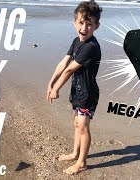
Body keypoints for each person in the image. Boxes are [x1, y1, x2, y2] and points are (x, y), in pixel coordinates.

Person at [46, 0, 102, 175]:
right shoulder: (76, 41)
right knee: (77, 123)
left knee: (83, 127)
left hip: (88, 94)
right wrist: (51, 82)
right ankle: (75, 153)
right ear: (74, 23)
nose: (84, 28)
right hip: (77, 90)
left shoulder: (91, 46)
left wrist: (56, 88)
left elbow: (70, 69)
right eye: (81, 23)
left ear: (96, 26)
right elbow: (63, 63)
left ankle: (82, 163)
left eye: (89, 24)